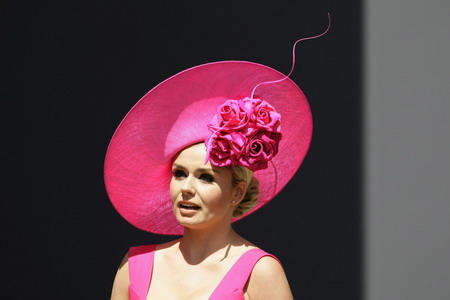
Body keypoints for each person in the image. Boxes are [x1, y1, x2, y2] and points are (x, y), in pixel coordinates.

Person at [104, 27, 327, 296]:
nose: (186, 187)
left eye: (206, 177)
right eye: (179, 173)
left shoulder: (260, 272)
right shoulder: (134, 266)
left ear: (238, 191)